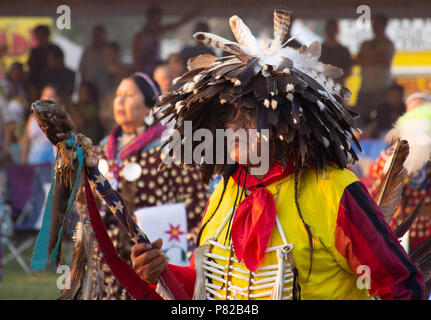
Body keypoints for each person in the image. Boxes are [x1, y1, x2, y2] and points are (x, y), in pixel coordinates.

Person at [130, 10, 424, 300]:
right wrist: (162, 273)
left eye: (247, 113)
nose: (234, 127)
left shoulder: (334, 192)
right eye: (227, 115)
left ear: (284, 122)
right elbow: (205, 286)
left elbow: (400, 286)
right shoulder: (225, 192)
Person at [88, 73, 209, 299]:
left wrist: (163, 223)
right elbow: (86, 203)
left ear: (148, 107)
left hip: (154, 256)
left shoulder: (169, 149)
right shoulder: (102, 151)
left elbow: (198, 202)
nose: (121, 101)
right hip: (107, 260)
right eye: (118, 95)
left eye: (129, 95)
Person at [369, 93, 431, 254]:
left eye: (421, 111)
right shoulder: (391, 154)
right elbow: (376, 191)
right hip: (396, 230)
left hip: (425, 231)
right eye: (412, 113)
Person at [353, 13, 395, 133]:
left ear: (384, 26)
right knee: (360, 117)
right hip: (365, 88)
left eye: (379, 24)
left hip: (382, 88)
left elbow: (384, 60)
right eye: (374, 24)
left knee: (381, 119)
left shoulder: (388, 43)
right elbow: (356, 61)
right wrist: (374, 58)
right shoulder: (365, 43)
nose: (376, 27)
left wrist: (366, 58)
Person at [132, 5, 199, 75]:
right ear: (150, 18)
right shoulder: (140, 36)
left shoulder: (158, 31)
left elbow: (178, 24)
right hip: (144, 72)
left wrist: (195, 12)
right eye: (156, 19)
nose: (158, 21)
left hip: (156, 70)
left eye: (159, 19)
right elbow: (136, 60)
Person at [20, 85, 59, 165]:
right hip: (34, 163)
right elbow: (26, 143)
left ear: (57, 99)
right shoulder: (33, 118)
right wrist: (23, 164)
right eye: (46, 95)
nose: (48, 99)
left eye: (51, 96)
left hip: (53, 167)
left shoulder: (62, 118)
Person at [320, 19, 352, 85]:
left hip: (337, 87)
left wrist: (334, 80)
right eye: (329, 29)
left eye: (332, 29)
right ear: (325, 30)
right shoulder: (320, 49)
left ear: (337, 30)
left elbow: (348, 71)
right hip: (321, 85)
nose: (331, 32)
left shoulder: (343, 51)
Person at [27, 25, 52, 102]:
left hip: (51, 81)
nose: (38, 37)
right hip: (36, 82)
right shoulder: (35, 52)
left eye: (40, 35)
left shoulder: (53, 49)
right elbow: (31, 68)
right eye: (37, 35)